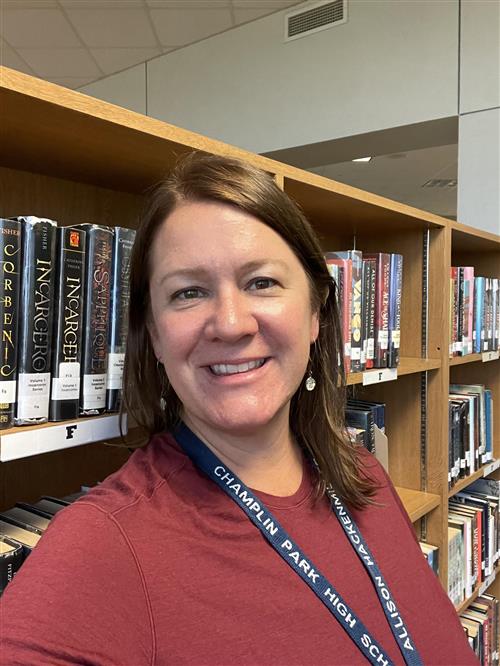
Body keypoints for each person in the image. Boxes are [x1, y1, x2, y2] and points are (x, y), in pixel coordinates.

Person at [1, 153, 476, 665]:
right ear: (155, 336)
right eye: (188, 292)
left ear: (317, 312)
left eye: (261, 282)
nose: (230, 323)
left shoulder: (364, 476)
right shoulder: (101, 548)